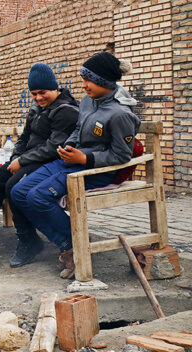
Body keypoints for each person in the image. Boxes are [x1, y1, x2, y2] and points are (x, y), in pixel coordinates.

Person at [10, 52, 139, 279]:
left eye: (88, 80)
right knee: (19, 192)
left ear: (104, 82)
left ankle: (73, 246)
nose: (84, 85)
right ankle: (73, 240)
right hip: (71, 161)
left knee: (38, 197)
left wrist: (85, 159)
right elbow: (78, 129)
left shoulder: (120, 114)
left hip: (96, 170)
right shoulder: (89, 101)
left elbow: (122, 155)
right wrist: (69, 146)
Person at [0, 63, 79, 268]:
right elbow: (24, 138)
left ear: (55, 88)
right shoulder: (37, 108)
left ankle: (29, 241)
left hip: (52, 162)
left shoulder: (66, 111)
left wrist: (22, 161)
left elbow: (54, 146)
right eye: (34, 93)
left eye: (43, 92)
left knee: (13, 185)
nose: (38, 98)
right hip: (30, 159)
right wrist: (15, 158)